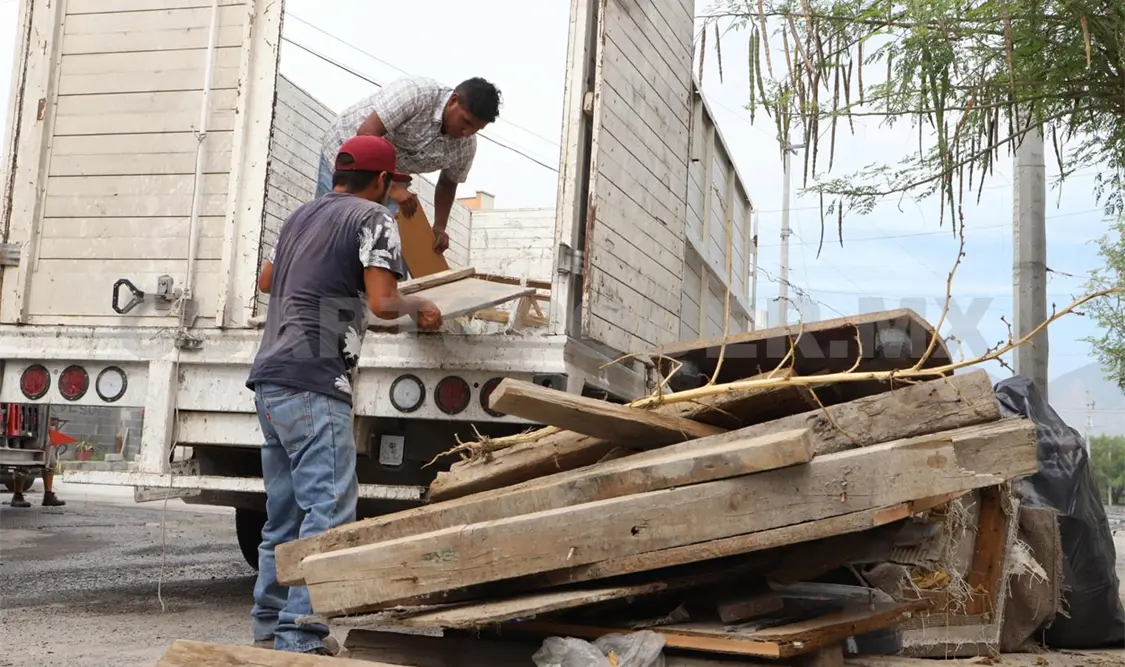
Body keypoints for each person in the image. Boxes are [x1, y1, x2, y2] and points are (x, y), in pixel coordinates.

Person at [245, 135, 443, 655]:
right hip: (315, 382)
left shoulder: (300, 217)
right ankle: (300, 636)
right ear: (383, 182)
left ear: (337, 174)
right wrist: (418, 301)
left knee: (284, 515)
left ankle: (268, 622)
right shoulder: (373, 219)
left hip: (271, 379)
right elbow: (381, 303)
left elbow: (268, 280)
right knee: (329, 513)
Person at [316, 76, 502, 255]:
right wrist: (393, 189)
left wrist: (439, 227)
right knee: (330, 230)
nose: (468, 132)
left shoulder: (466, 146)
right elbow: (367, 134)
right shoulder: (415, 93)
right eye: (466, 122)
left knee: (381, 245)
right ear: (453, 101)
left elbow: (448, 184)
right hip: (345, 154)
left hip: (388, 178)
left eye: (476, 129)